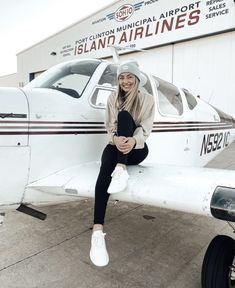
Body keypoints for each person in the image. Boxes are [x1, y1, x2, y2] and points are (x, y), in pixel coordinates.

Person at [89, 60, 155, 267]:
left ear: (136, 79)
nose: (125, 81)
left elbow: (145, 128)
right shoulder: (112, 97)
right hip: (117, 145)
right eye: (121, 77)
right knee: (105, 163)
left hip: (137, 148)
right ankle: (97, 232)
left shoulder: (147, 99)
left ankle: (121, 167)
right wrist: (115, 139)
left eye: (129, 77)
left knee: (126, 116)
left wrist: (132, 141)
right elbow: (110, 126)